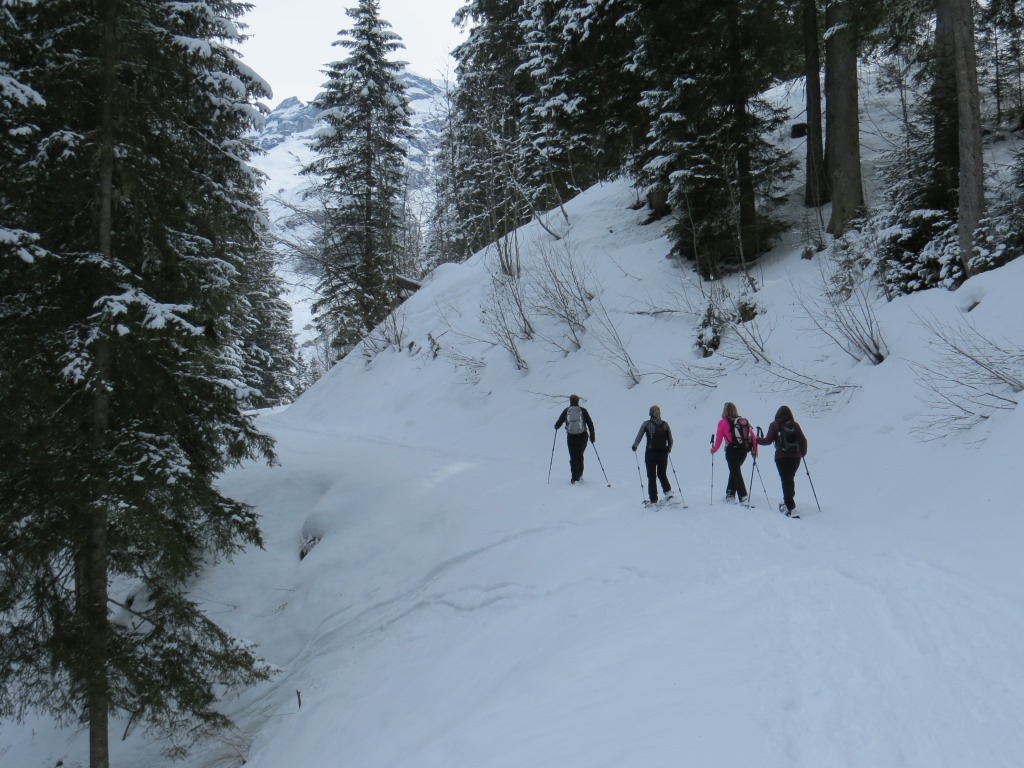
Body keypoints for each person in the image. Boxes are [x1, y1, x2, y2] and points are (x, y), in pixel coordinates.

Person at [755, 405, 808, 517]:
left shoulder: (774, 424)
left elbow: (768, 441)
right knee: (789, 479)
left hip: (782, 457)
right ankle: (788, 502)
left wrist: (756, 439)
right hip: (796, 457)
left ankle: (790, 508)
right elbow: (803, 440)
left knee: (786, 480)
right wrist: (802, 453)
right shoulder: (795, 424)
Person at [711, 401, 757, 504]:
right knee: (735, 471)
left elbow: (719, 439)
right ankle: (730, 494)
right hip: (743, 451)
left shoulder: (722, 422)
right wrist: (755, 450)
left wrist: (713, 450)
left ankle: (743, 497)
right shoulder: (742, 421)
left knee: (736, 472)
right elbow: (753, 436)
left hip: (731, 451)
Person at [631, 405, 673, 504]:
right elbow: (670, 440)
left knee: (651, 476)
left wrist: (634, 446)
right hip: (663, 453)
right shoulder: (665, 424)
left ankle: (653, 499)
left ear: (650, 414)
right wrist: (668, 449)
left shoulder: (646, 424)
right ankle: (668, 494)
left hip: (651, 453)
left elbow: (639, 436)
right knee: (662, 474)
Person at [554, 394, 596, 483]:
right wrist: (592, 436)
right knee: (580, 455)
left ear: (570, 401)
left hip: (571, 436)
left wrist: (556, 426)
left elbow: (558, 423)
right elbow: (590, 423)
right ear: (578, 401)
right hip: (583, 436)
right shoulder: (583, 410)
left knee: (573, 456)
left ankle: (575, 478)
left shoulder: (566, 410)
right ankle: (580, 475)